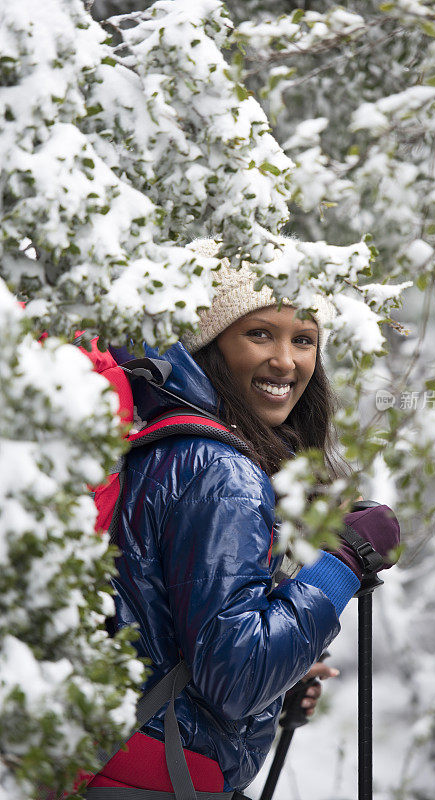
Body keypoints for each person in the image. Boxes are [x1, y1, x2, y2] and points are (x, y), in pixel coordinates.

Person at [85, 239, 400, 799]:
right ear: (213, 346)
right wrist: (344, 563)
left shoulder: (172, 445)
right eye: (260, 333)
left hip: (129, 757)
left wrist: (285, 677)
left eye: (304, 339)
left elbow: (178, 630)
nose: (286, 360)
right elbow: (237, 676)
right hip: (165, 775)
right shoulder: (219, 469)